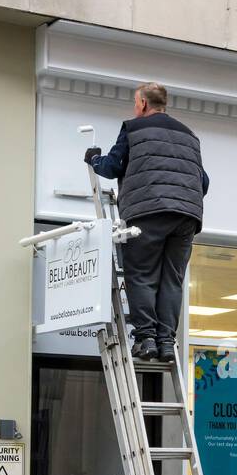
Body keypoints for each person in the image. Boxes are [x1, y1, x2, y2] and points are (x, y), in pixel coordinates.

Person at [85, 82, 210, 363]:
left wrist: (93, 158)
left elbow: (113, 166)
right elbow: (203, 181)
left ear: (142, 104)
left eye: (134, 102)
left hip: (148, 211)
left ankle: (146, 339)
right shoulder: (190, 136)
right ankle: (167, 342)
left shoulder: (134, 129)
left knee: (141, 273)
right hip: (187, 216)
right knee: (172, 279)